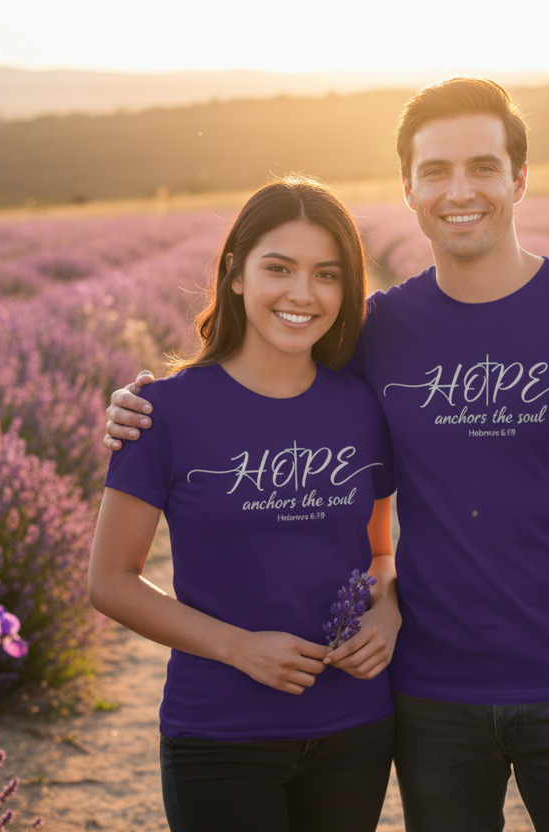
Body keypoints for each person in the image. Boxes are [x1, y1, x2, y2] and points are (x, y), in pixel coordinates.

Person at [105, 79, 549, 832]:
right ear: (408, 188)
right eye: (435, 171)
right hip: (429, 698)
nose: (459, 190)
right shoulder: (375, 331)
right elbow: (267, 384)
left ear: (519, 178)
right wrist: (145, 403)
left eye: (482, 166)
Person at [88, 176, 401, 832]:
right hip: (220, 734)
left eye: (326, 274)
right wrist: (238, 648)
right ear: (235, 274)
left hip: (356, 728)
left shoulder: (362, 407)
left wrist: (388, 612)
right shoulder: (162, 412)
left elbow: (378, 553)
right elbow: (111, 581)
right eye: (278, 268)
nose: (302, 293)